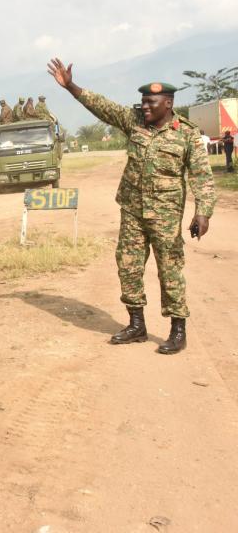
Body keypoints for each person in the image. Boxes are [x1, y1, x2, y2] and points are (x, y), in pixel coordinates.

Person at [48, 58, 216, 354]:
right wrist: (71, 86)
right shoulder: (133, 121)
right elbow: (103, 106)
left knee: (170, 270)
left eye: (151, 102)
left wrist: (202, 212)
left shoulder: (186, 134)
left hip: (165, 216)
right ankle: (137, 324)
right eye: (143, 102)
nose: (145, 107)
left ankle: (178, 330)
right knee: (128, 266)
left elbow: (202, 177)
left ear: (168, 103)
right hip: (132, 212)